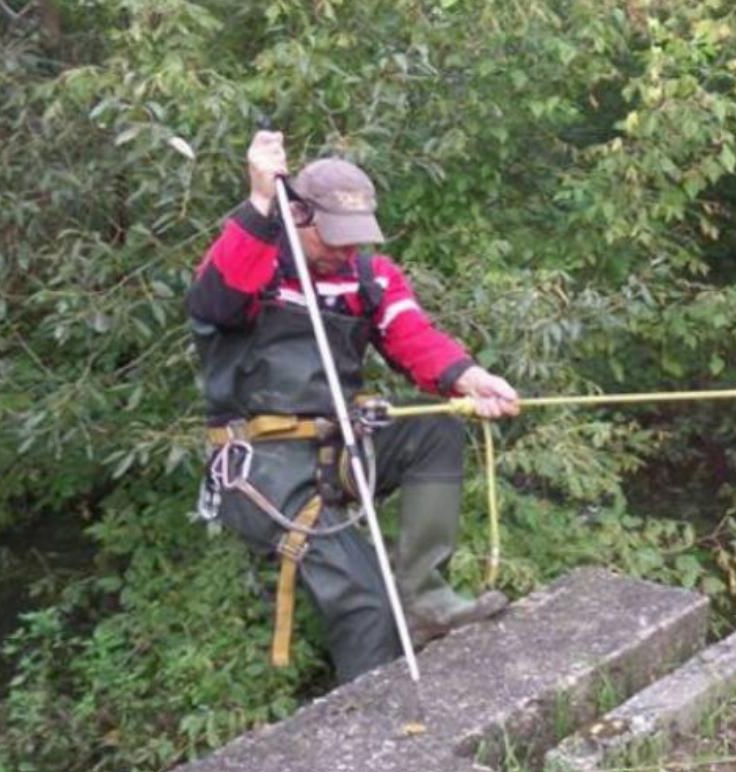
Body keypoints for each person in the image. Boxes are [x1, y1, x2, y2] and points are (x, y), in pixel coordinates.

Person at [188, 130, 521, 683]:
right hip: (264, 466)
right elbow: (213, 302)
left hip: (337, 445)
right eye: (335, 238)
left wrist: (470, 378)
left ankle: (426, 596)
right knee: (368, 606)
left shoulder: (370, 278)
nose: (348, 250)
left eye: (356, 238)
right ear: (298, 217)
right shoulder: (258, 266)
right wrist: (259, 202)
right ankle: (377, 730)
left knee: (437, 425)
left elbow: (413, 336)